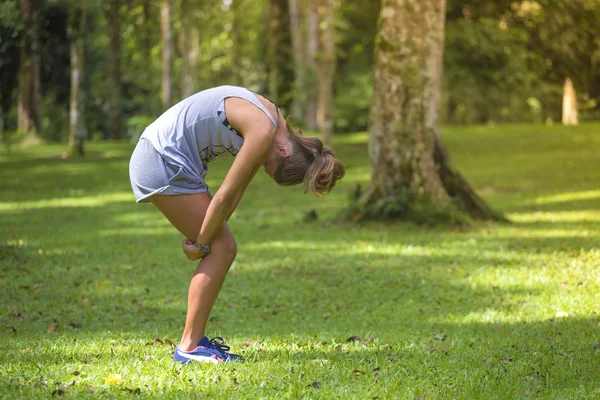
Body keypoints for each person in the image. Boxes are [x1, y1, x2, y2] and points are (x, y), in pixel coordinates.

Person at [128, 86, 345, 364]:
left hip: (164, 156)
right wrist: (205, 242)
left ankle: (195, 343)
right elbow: (224, 194)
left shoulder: (271, 120)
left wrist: (206, 235)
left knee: (222, 246)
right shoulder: (263, 129)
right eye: (269, 166)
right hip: (162, 158)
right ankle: (190, 348)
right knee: (223, 248)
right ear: (283, 149)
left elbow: (237, 191)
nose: (264, 167)